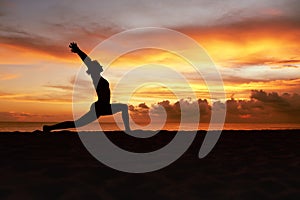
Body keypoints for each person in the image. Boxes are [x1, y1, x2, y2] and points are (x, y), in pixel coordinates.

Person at [43, 42, 131, 132]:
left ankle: (49, 128)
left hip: (104, 106)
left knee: (123, 107)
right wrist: (78, 51)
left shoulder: (99, 77)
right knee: (77, 123)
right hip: (100, 107)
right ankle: (49, 128)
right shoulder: (95, 76)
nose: (101, 66)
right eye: (99, 65)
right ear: (95, 68)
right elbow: (88, 61)